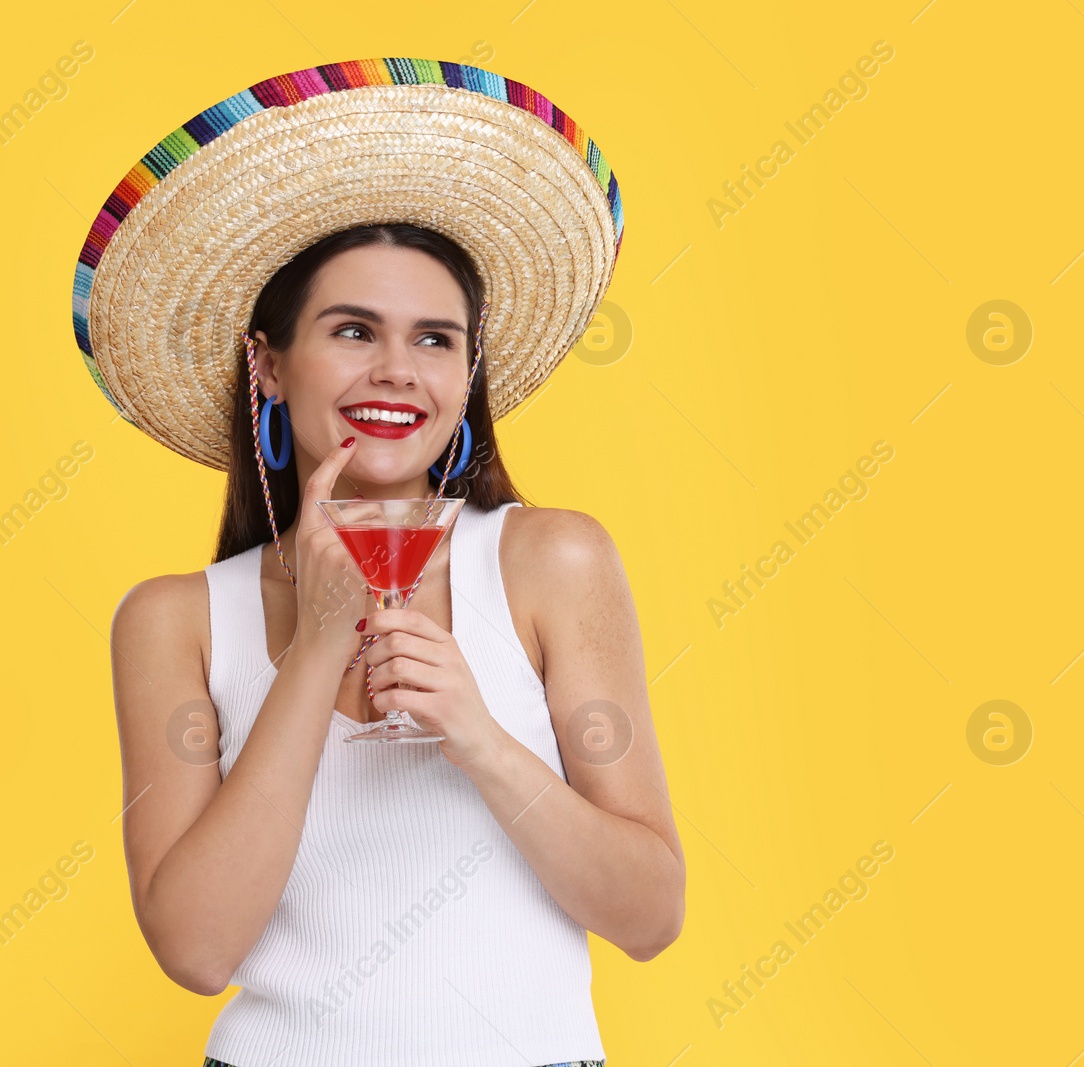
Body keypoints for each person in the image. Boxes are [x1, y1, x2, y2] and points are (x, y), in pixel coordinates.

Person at [71, 58, 682, 1066]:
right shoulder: (173, 619)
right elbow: (195, 947)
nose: (398, 369)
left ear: (465, 372)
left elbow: (649, 916)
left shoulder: (550, 561)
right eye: (353, 329)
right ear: (267, 362)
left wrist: (478, 734)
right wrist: (314, 648)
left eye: (435, 338)